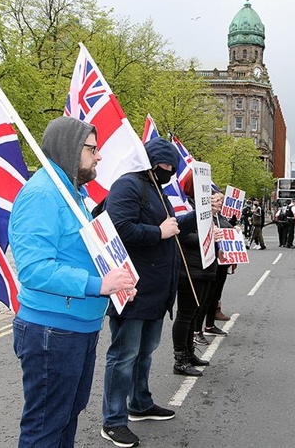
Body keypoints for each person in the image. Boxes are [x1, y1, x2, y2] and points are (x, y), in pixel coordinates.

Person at [8, 116, 136, 448]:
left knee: (67, 416)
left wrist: (117, 280)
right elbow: (34, 268)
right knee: (46, 426)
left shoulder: (75, 195)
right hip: (53, 331)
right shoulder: (41, 194)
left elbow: (81, 254)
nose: (99, 156)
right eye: (92, 148)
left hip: (78, 327)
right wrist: (97, 285)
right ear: (70, 148)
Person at [101, 138, 196, 448]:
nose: (168, 172)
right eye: (164, 167)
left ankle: (140, 403)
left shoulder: (157, 189)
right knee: (124, 356)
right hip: (133, 289)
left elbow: (170, 226)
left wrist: (196, 216)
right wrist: (159, 232)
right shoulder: (128, 186)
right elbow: (119, 227)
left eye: (172, 169)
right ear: (151, 162)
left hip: (156, 291)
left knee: (144, 353)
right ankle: (113, 421)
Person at [172, 188, 217, 377]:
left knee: (195, 313)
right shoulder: (183, 207)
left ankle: (189, 353)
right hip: (190, 270)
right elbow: (180, 235)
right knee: (185, 314)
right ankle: (180, 359)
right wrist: (208, 237)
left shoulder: (207, 211)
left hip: (206, 267)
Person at [200, 192, 236, 337]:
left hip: (221, 262)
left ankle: (209, 325)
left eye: (221, 200)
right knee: (206, 297)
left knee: (216, 295)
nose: (219, 202)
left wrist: (235, 229)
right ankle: (197, 329)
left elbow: (227, 227)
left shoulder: (220, 217)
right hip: (209, 261)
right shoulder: (204, 218)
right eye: (215, 200)